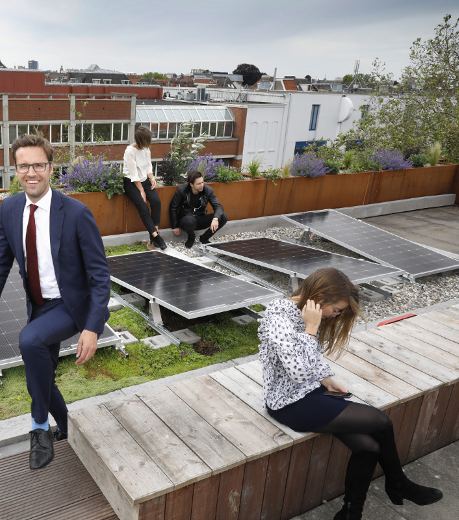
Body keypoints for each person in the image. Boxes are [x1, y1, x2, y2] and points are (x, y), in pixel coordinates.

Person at [0, 134, 111, 470]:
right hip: (39, 305)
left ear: (50, 168)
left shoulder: (76, 213)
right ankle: (67, 427)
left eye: (37, 165)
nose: (30, 172)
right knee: (42, 374)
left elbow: (100, 277)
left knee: (29, 340)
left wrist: (92, 328)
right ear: (15, 169)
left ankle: (38, 428)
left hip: (72, 306)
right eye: (23, 166)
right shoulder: (9, 208)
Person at [258, 268, 442, 519]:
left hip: (311, 391)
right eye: (336, 310)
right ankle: (398, 484)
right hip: (289, 402)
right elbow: (298, 373)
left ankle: (350, 512)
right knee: (381, 421)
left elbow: (312, 361)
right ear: (320, 296)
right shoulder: (279, 315)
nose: (336, 315)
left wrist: (327, 379)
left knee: (369, 447)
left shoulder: (309, 311)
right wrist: (310, 330)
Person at [123, 126, 166, 250]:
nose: (149, 144)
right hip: (131, 182)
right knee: (143, 207)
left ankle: (154, 235)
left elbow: (148, 166)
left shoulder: (146, 149)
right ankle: (157, 237)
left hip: (144, 180)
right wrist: (141, 190)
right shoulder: (129, 151)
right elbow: (133, 174)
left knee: (156, 202)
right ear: (141, 140)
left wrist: (152, 178)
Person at [169, 170, 228, 248]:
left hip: (200, 219)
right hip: (186, 221)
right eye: (198, 183)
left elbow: (218, 206)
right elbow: (173, 207)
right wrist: (174, 226)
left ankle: (204, 238)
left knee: (223, 217)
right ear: (191, 184)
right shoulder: (182, 190)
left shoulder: (208, 190)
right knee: (190, 220)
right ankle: (191, 237)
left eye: (202, 182)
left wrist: (216, 218)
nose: (202, 185)